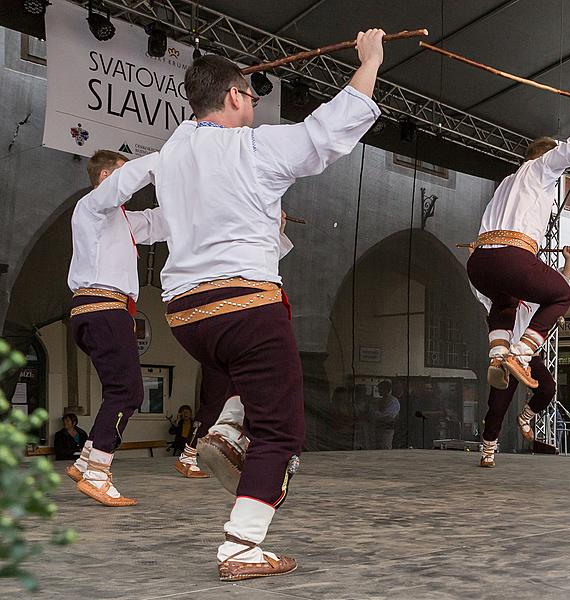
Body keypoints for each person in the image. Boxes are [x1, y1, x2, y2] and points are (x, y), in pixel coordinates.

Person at [153, 30, 385, 581]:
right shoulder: (248, 147)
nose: (254, 105)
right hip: (242, 306)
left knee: (249, 362)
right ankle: (241, 544)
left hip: (186, 314)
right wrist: (370, 61)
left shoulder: (171, 155)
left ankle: (229, 428)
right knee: (281, 431)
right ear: (234, 95)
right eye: (252, 96)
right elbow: (326, 133)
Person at [467, 92, 570, 392]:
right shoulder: (541, 169)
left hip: (480, 263)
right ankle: (521, 353)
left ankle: (498, 355)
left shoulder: (508, 181)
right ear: (546, 157)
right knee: (560, 294)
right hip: (511, 257)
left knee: (503, 301)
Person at [65, 149, 165, 506]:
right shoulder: (92, 206)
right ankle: (98, 473)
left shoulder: (122, 220)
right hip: (103, 308)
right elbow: (125, 184)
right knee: (128, 393)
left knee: (119, 390)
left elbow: (160, 222)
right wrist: (169, 159)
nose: (130, 184)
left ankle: (84, 461)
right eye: (123, 175)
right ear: (107, 178)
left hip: (103, 311)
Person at [174, 211, 294, 480]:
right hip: (230, 314)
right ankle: (215, 441)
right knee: (224, 396)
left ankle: (223, 440)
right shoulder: (225, 231)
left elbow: (261, 260)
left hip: (220, 315)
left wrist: (275, 228)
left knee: (231, 392)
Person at [476, 245, 570, 467]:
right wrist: (474, 255)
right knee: (497, 405)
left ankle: (525, 418)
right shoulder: (498, 298)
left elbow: (564, 284)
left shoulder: (535, 297)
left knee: (548, 388)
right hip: (505, 357)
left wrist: (568, 259)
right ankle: (488, 449)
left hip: (528, 355)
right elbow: (480, 287)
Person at [371, 380, 400, 450]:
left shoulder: (393, 401)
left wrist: (378, 416)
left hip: (387, 429)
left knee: (385, 447)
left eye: (380, 389)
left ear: (386, 389)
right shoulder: (379, 401)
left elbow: (389, 416)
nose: (379, 391)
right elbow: (373, 413)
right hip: (378, 428)